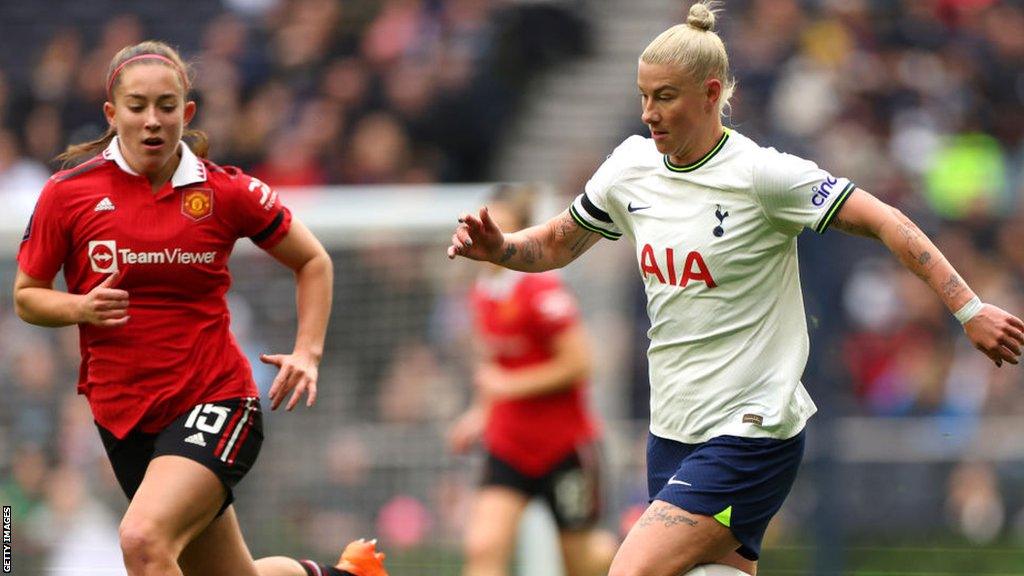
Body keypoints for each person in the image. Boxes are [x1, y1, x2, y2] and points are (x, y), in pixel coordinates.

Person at [446, 3, 1024, 576]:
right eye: (643, 96)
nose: (649, 113)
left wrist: (968, 308)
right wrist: (502, 248)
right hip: (672, 430)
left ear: (710, 93)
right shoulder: (630, 167)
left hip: (751, 432)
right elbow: (558, 242)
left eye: (664, 96)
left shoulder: (762, 175)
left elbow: (885, 220)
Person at [13, 41, 387, 576]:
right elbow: (27, 296)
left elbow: (313, 261)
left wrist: (308, 351)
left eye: (166, 106)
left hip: (217, 399)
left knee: (142, 540)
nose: (152, 119)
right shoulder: (67, 194)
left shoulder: (225, 191)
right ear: (112, 113)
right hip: (123, 416)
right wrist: (80, 306)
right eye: (137, 105)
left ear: (186, 113)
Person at [447, 185, 617, 576]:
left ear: (519, 234)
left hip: (563, 448)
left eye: (498, 226)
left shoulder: (542, 290)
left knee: (581, 561)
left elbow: (580, 364)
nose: (486, 234)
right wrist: (479, 414)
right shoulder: (481, 292)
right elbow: (494, 366)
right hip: (509, 445)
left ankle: (640, 561)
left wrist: (510, 386)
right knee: (483, 547)